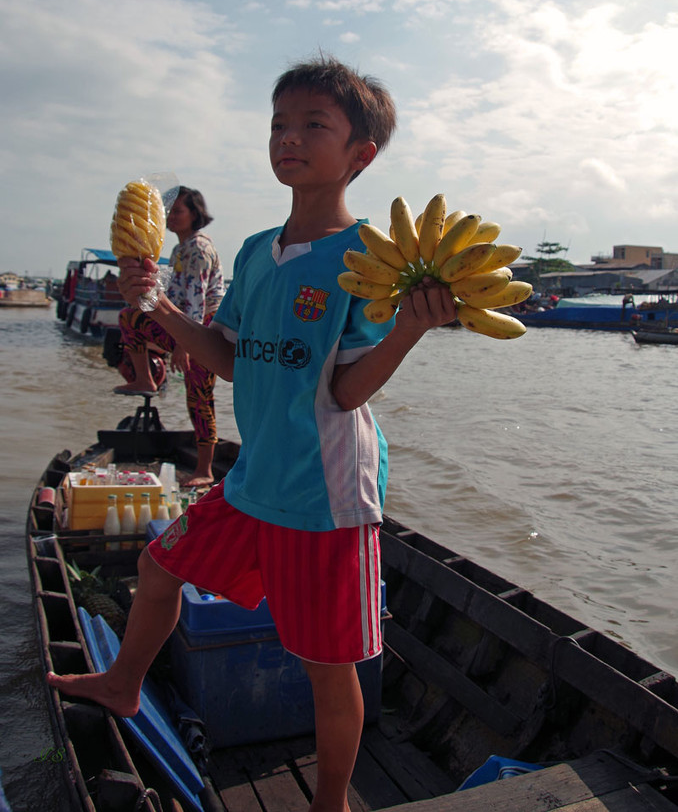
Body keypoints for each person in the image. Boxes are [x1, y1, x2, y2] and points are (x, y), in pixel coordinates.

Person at [48, 56, 457, 812]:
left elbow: (345, 388)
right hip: (255, 477)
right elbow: (233, 359)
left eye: (313, 126)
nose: (288, 139)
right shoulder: (254, 251)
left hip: (323, 494)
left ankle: (329, 802)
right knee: (162, 564)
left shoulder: (367, 259)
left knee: (326, 667)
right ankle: (125, 683)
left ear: (360, 154)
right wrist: (162, 308)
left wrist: (408, 329)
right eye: (278, 124)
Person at [113, 186, 225, 487]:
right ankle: (144, 378)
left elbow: (196, 300)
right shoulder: (179, 248)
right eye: (169, 211)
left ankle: (205, 469)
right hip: (182, 323)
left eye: (178, 211)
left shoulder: (198, 248)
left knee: (199, 397)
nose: (171, 216)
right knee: (130, 317)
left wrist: (181, 345)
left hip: (204, 329)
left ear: (194, 215)